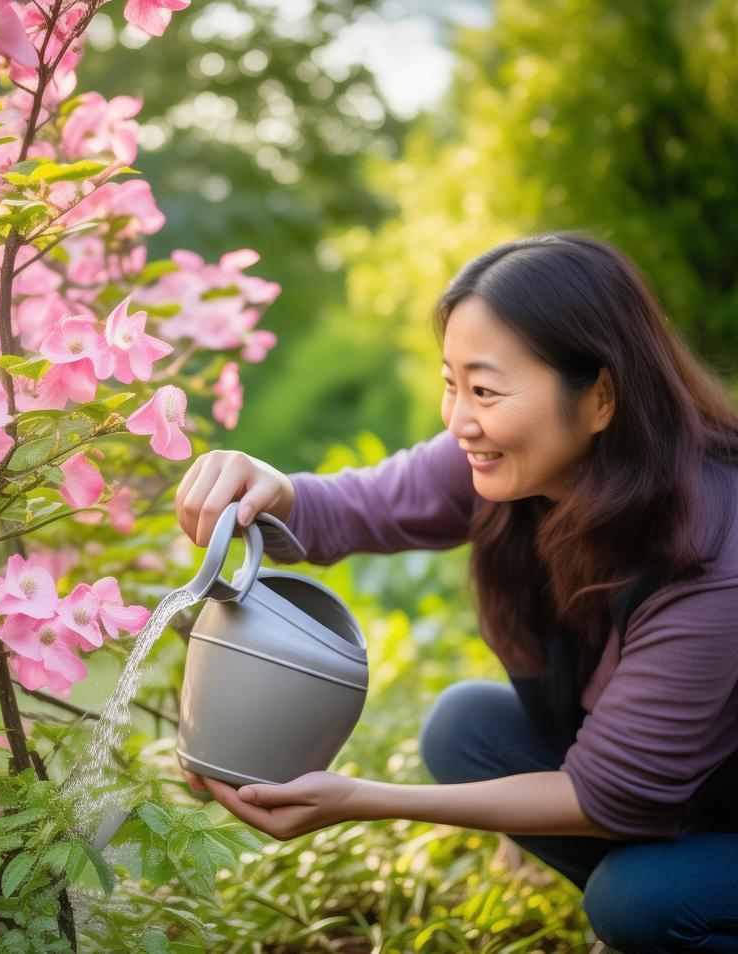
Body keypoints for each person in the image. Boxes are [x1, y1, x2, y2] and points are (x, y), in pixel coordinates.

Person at [173, 233, 738, 954]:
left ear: (600, 396)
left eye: (486, 389)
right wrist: (267, 487)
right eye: (451, 383)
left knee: (637, 902)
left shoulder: (716, 554)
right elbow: (359, 506)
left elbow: (612, 794)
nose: (459, 420)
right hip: (692, 800)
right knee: (465, 727)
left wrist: (365, 801)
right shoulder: (512, 462)